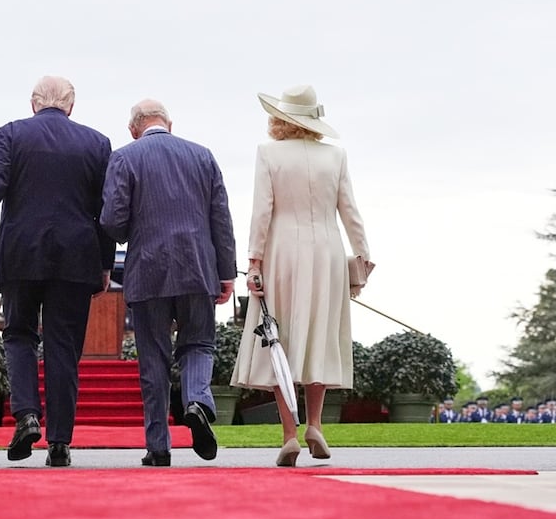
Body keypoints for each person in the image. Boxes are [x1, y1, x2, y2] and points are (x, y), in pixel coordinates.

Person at [0, 75, 114, 467]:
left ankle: (27, 413)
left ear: (33, 104)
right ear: (71, 105)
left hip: (21, 254)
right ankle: (60, 443)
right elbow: (105, 211)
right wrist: (103, 263)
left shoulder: (11, 134)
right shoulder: (97, 143)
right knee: (64, 349)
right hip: (75, 259)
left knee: (19, 336)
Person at [231, 85, 371, 467]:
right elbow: (351, 212)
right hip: (327, 252)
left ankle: (289, 433)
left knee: (281, 339)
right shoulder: (335, 156)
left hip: (282, 254)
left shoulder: (269, 154)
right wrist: (362, 260)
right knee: (320, 336)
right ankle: (315, 425)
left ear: (280, 119)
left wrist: (254, 262)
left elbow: (262, 212)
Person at [101, 99, 237, 467]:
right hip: (197, 267)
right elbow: (220, 220)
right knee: (199, 343)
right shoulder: (202, 156)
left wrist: (137, 229)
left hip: (148, 269)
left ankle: (158, 446)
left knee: (153, 359)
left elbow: (112, 221)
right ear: (170, 124)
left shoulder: (125, 157)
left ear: (134, 128)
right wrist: (226, 273)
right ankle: (196, 399)